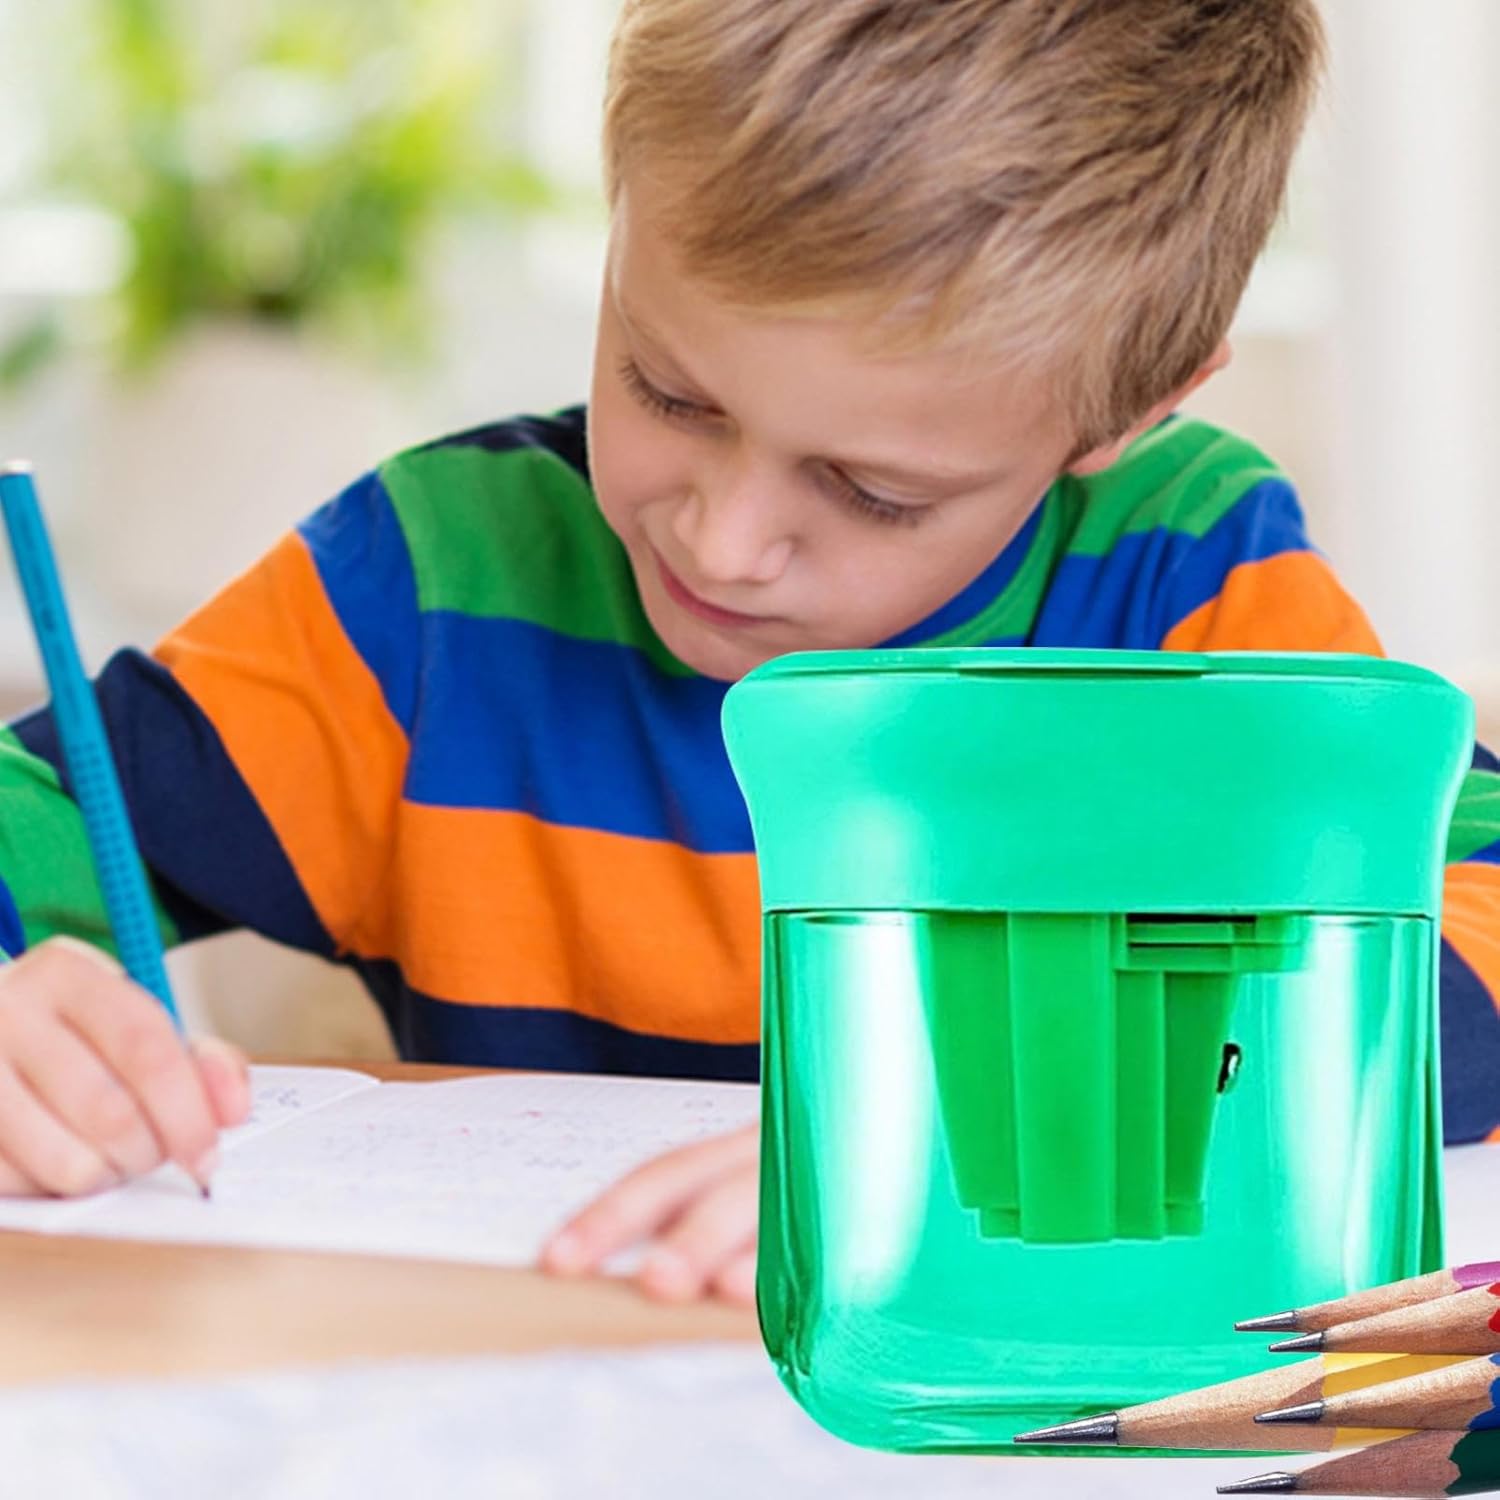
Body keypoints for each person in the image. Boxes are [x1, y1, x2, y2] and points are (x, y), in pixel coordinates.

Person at [1, 0, 1497, 1308]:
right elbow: (39, 822)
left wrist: (1007, 1131)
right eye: (669, 391)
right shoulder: (434, 590)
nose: (721, 543)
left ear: (1132, 410)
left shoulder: (1183, 588)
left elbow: (1478, 928)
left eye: (872, 491)